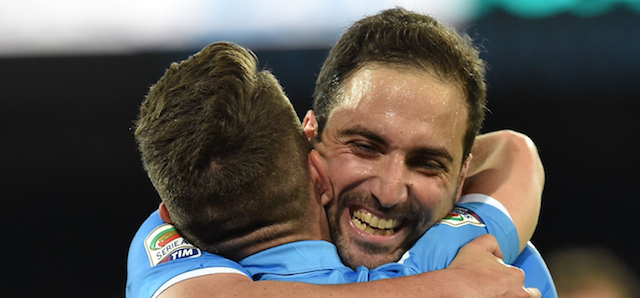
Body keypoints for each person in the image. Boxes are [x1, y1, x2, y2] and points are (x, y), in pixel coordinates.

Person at [127, 7, 555, 297]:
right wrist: (450, 287)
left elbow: (514, 149)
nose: (389, 192)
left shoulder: (498, 262)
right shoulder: (205, 227)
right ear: (308, 141)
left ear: (463, 175)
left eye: (428, 163)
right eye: (365, 147)